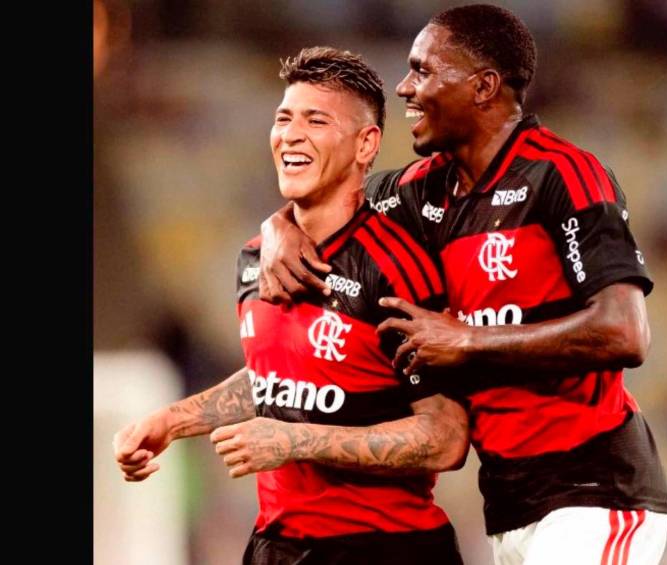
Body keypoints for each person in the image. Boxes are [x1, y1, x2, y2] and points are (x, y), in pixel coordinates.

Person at [258, 5, 667, 565]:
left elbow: (625, 332)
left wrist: (467, 341)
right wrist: (279, 225)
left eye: (423, 71)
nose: (405, 87)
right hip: (510, 501)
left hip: (597, 489)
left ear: (483, 87)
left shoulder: (563, 175)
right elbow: (333, 199)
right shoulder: (420, 191)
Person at [113, 46, 469, 565]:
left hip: (384, 548)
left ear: (366, 143)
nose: (291, 135)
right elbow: (280, 378)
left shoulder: (396, 267)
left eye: (316, 120)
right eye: (284, 118)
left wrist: (294, 440)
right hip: (277, 546)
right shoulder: (255, 258)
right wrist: (172, 420)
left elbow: (445, 437)